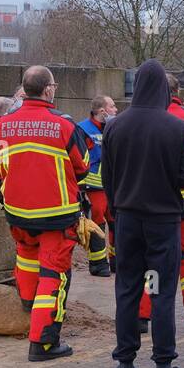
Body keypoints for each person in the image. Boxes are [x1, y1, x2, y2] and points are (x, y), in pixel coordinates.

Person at [103, 59, 184, 368]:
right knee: (159, 292)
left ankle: (125, 365)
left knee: (127, 290)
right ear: (163, 89)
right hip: (163, 223)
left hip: (127, 221)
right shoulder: (177, 129)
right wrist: (183, 211)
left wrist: (118, 209)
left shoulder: (114, 126)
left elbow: (108, 178)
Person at [0, 66, 90, 362]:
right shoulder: (63, 125)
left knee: (25, 257)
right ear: (48, 90)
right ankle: (44, 342)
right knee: (54, 275)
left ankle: (28, 305)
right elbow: (83, 165)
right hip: (56, 215)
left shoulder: (3, 124)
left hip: (17, 211)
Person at [137, 74, 184, 333]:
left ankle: (142, 315)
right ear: (179, 92)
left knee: (153, 263)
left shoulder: (146, 119)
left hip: (154, 205)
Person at [76, 96, 113, 277]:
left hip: (113, 186)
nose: (116, 110)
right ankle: (98, 264)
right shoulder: (83, 129)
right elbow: (79, 159)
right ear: (102, 111)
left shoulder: (114, 126)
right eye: (112, 106)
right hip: (93, 187)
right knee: (97, 222)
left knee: (116, 222)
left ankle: (116, 261)